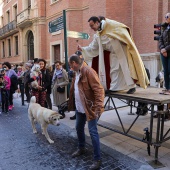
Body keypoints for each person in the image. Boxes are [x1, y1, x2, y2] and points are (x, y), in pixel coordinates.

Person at [78, 16, 149, 93]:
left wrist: (125, 40)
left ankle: (132, 87)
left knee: (126, 69)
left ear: (97, 22)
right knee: (114, 70)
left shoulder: (111, 25)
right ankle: (114, 88)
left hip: (122, 50)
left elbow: (123, 30)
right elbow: (93, 46)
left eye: (92, 25)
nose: (91, 28)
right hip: (113, 53)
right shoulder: (98, 34)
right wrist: (83, 49)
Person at [68, 54, 104, 170]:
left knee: (93, 132)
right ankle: (81, 148)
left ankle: (97, 159)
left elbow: (99, 89)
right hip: (80, 108)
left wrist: (98, 107)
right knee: (78, 127)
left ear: (74, 63)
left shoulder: (88, 71)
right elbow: (76, 89)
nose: (70, 68)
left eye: (70, 65)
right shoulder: (76, 73)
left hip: (90, 108)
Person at [159, 12, 170, 95]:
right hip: (163, 53)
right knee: (165, 71)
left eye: (167, 16)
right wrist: (162, 49)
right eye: (165, 16)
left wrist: (166, 49)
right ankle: (167, 88)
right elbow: (160, 39)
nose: (166, 18)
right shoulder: (164, 27)